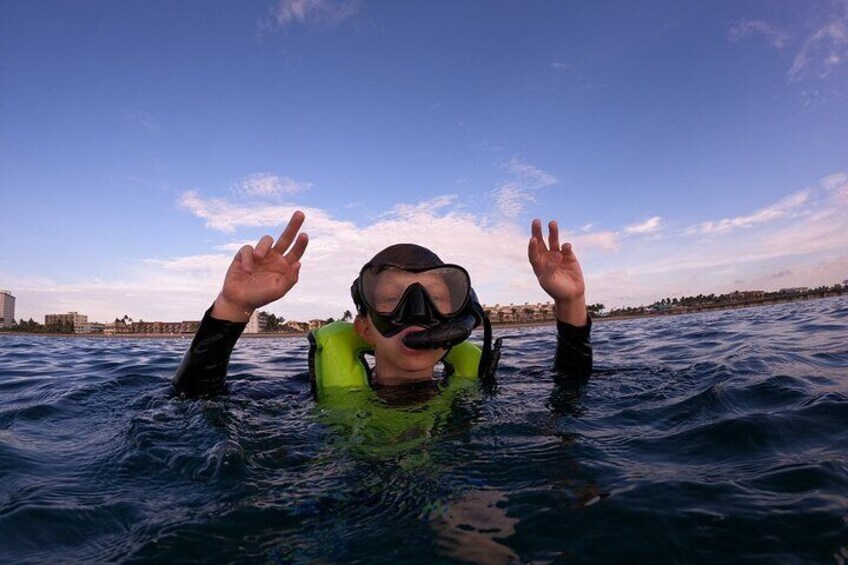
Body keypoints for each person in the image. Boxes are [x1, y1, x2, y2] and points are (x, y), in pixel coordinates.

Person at [172, 211, 592, 400]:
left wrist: (570, 301)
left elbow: (573, 385)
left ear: (460, 320)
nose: (418, 312)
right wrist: (232, 305)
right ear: (364, 327)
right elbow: (193, 400)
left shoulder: (483, 387)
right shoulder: (307, 397)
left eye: (438, 298)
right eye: (391, 299)